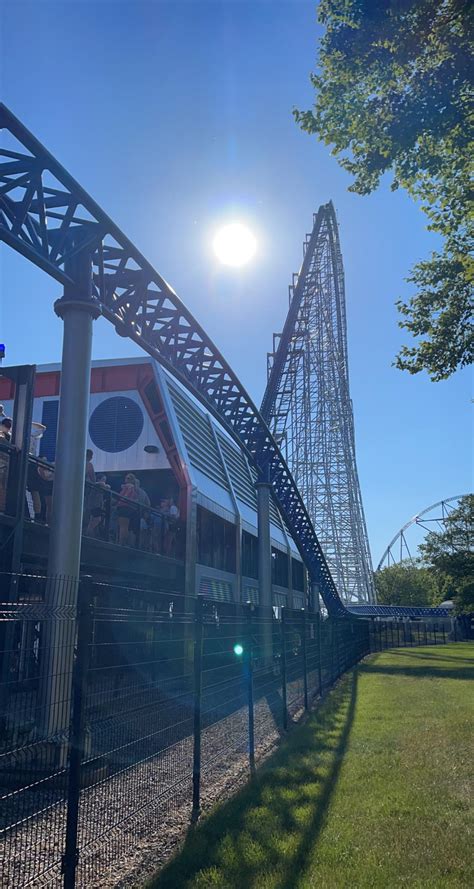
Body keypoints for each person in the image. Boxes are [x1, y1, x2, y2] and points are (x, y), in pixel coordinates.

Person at [116, 473, 139, 545]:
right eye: (126, 478)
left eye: (128, 478)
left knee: (123, 526)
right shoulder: (134, 488)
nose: (126, 479)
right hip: (128, 507)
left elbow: (125, 496)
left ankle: (121, 543)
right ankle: (123, 543)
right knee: (125, 526)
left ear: (132, 480)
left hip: (124, 506)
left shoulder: (129, 487)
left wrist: (120, 499)